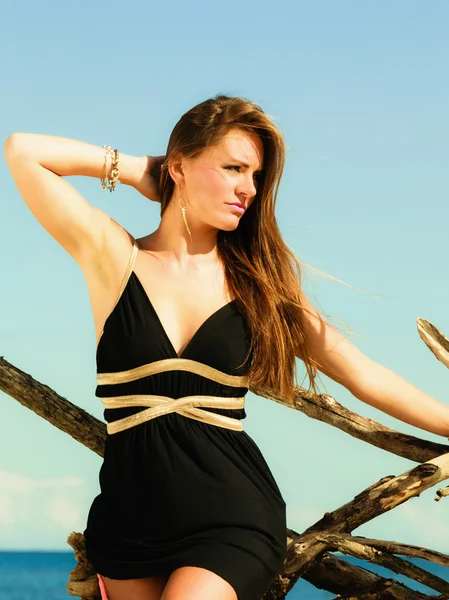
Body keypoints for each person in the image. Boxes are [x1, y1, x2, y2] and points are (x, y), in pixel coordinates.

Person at [4, 94, 449, 600]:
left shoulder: (260, 288)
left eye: (256, 176)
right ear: (180, 166)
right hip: (127, 522)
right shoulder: (114, 257)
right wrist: (140, 170)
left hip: (230, 517)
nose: (248, 188)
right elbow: (23, 151)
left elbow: (364, 375)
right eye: (234, 167)